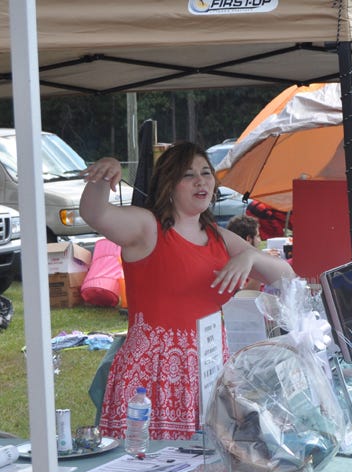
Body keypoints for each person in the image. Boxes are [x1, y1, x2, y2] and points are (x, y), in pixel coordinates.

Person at [80, 142, 294, 440]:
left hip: (207, 368)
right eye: (188, 175)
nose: (201, 180)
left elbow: (287, 277)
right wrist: (105, 171)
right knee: (148, 468)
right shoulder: (147, 227)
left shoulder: (219, 237)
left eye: (206, 173)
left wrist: (251, 256)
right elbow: (94, 213)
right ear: (169, 184)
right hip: (155, 373)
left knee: (205, 465)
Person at [226, 214, 266, 291]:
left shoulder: (236, 255)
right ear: (248, 239)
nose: (260, 240)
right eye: (257, 236)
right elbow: (243, 296)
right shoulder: (235, 262)